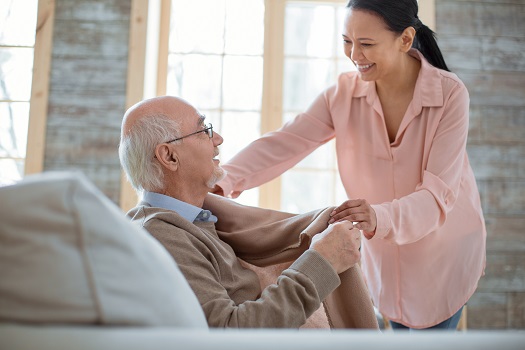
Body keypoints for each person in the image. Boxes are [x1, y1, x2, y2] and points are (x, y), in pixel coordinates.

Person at [213, 0, 486, 331]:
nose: (355, 54)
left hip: (444, 255)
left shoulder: (449, 95)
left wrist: (377, 216)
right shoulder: (341, 95)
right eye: (347, 41)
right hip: (385, 260)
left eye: (367, 44)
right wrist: (220, 180)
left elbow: (435, 196)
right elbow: (284, 143)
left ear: (405, 39)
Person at [118, 95, 379, 329]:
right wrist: (323, 263)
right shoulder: (162, 236)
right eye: (203, 130)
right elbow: (230, 334)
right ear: (169, 156)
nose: (217, 139)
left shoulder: (196, 221)